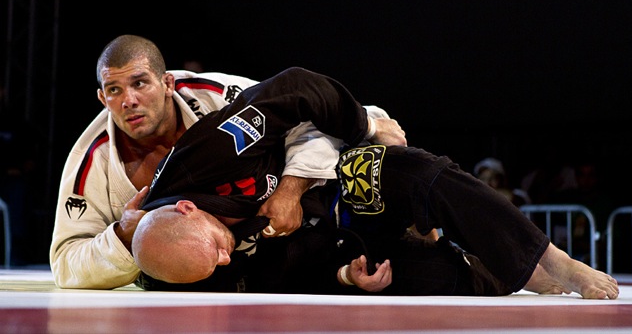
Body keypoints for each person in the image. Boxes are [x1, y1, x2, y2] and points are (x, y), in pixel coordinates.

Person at [132, 67, 619, 299]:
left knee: (412, 170)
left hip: (335, 170)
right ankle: (512, 274)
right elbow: (272, 280)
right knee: (426, 280)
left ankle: (552, 259)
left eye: (216, 245)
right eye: (215, 263)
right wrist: (341, 279)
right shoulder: (181, 267)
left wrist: (292, 187)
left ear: (188, 210)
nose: (224, 255)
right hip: (331, 246)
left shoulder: (210, 152)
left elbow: (302, 87)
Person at [49, 35, 394, 289]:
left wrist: (290, 189)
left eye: (140, 83)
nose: (129, 100)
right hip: (212, 277)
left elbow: (308, 112)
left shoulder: (216, 96)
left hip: (292, 223)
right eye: (114, 90)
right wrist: (125, 235)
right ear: (101, 97)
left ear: (168, 82)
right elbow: (65, 263)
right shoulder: (91, 160)